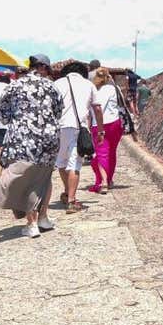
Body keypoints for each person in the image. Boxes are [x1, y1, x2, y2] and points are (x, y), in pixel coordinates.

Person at [0, 54, 63, 238]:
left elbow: (2, 115)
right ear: (46, 68)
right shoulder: (52, 86)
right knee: (44, 178)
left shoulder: (15, 85)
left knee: (27, 179)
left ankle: (31, 223)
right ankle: (43, 218)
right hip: (49, 138)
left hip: (22, 138)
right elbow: (58, 112)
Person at [53, 61, 104, 213]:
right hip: (78, 128)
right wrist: (100, 130)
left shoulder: (57, 84)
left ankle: (68, 191)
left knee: (61, 162)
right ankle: (71, 200)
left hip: (58, 127)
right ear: (83, 72)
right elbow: (97, 108)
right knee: (74, 163)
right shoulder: (88, 85)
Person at [88, 67, 124, 193]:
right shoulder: (115, 88)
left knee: (101, 153)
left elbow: (99, 109)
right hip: (115, 123)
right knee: (112, 152)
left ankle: (103, 182)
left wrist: (98, 128)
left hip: (99, 124)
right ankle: (109, 179)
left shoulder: (94, 89)